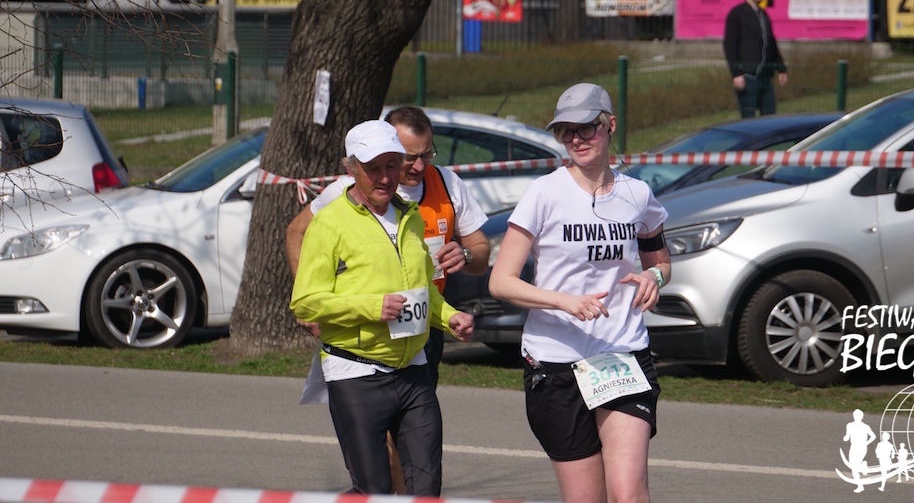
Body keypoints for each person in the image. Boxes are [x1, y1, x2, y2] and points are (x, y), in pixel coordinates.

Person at [488, 83, 671, 503]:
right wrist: (564, 301)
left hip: (621, 354)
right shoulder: (545, 193)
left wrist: (654, 278)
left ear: (610, 125)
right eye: (565, 131)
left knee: (628, 493)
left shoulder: (637, 194)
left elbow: (661, 263)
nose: (576, 139)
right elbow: (501, 281)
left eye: (586, 128)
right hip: (556, 361)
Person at [289, 119, 475, 496]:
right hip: (356, 372)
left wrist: (449, 316)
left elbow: (423, 291)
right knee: (374, 490)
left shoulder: (410, 216)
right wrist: (372, 307)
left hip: (414, 371)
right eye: (373, 168)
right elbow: (306, 302)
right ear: (351, 169)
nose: (386, 177)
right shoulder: (330, 223)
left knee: (426, 490)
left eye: (392, 165)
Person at [287, 105, 490, 385]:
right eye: (409, 157)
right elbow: (296, 232)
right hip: (366, 329)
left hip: (426, 318)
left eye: (426, 154)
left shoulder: (447, 183)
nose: (419, 166)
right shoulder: (349, 189)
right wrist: (311, 296)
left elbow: (481, 253)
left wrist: (466, 254)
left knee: (419, 408)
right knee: (376, 408)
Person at [723, 0, 788, 118]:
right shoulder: (737, 14)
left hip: (765, 75)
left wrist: (781, 68)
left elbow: (771, 42)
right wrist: (736, 73)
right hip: (748, 75)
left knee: (769, 117)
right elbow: (730, 45)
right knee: (749, 118)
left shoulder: (763, 14)